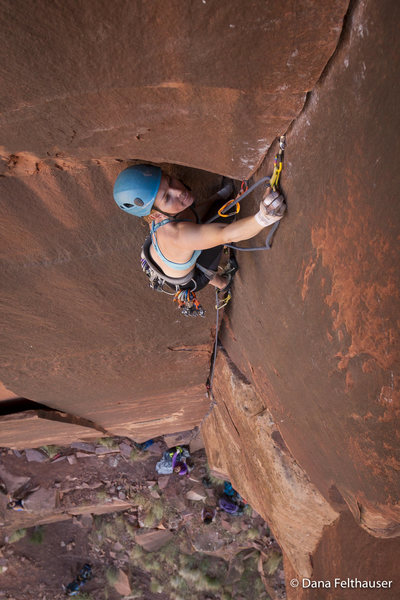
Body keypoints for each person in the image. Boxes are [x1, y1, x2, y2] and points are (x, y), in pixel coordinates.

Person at [113, 164, 285, 309]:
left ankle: (218, 280)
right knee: (224, 215)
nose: (178, 191)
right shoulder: (180, 235)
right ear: (156, 216)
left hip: (166, 268)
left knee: (208, 210)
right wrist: (265, 216)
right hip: (194, 279)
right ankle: (224, 283)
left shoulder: (159, 215)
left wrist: (219, 196)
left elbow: (192, 215)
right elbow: (227, 234)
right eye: (167, 197)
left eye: (170, 181)